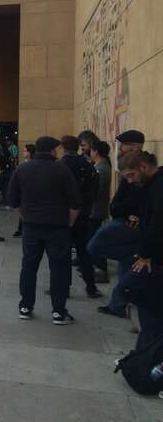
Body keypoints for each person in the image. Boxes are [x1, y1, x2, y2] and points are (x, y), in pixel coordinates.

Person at [7, 136, 82, 324]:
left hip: (32, 225)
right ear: (52, 150)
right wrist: (70, 222)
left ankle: (25, 306)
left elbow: (12, 199)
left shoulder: (23, 169)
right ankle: (58, 311)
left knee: (29, 265)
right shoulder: (62, 169)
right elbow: (75, 201)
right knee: (59, 268)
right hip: (58, 226)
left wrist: (24, 217)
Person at [88, 129, 147, 318]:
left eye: (124, 146)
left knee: (94, 246)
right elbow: (121, 199)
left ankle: (120, 302)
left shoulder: (140, 169)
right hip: (124, 218)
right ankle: (118, 305)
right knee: (126, 264)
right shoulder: (128, 165)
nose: (120, 149)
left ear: (135, 147)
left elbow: (137, 199)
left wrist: (125, 210)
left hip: (130, 223)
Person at [114, 151, 163, 348]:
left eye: (131, 175)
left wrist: (146, 254)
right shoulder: (151, 185)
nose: (130, 180)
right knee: (146, 308)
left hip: (155, 256)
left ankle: (146, 354)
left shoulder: (158, 186)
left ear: (143, 167)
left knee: (135, 292)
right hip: (152, 253)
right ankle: (144, 353)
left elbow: (158, 223)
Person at [59, 135, 101, 298]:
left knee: (63, 253)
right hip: (83, 213)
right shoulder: (87, 164)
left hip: (64, 213)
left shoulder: (61, 165)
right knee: (83, 251)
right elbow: (95, 188)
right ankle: (91, 287)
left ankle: (64, 288)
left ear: (63, 147)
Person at [89, 140, 112, 283]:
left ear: (96, 152)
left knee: (96, 239)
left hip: (96, 208)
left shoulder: (101, 168)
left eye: (91, 150)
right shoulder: (99, 166)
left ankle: (100, 268)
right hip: (95, 207)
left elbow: (97, 190)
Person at [12, 143, 36, 237]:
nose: (23, 152)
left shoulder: (33, 163)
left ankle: (24, 227)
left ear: (30, 152)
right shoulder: (24, 163)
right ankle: (21, 228)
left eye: (25, 151)